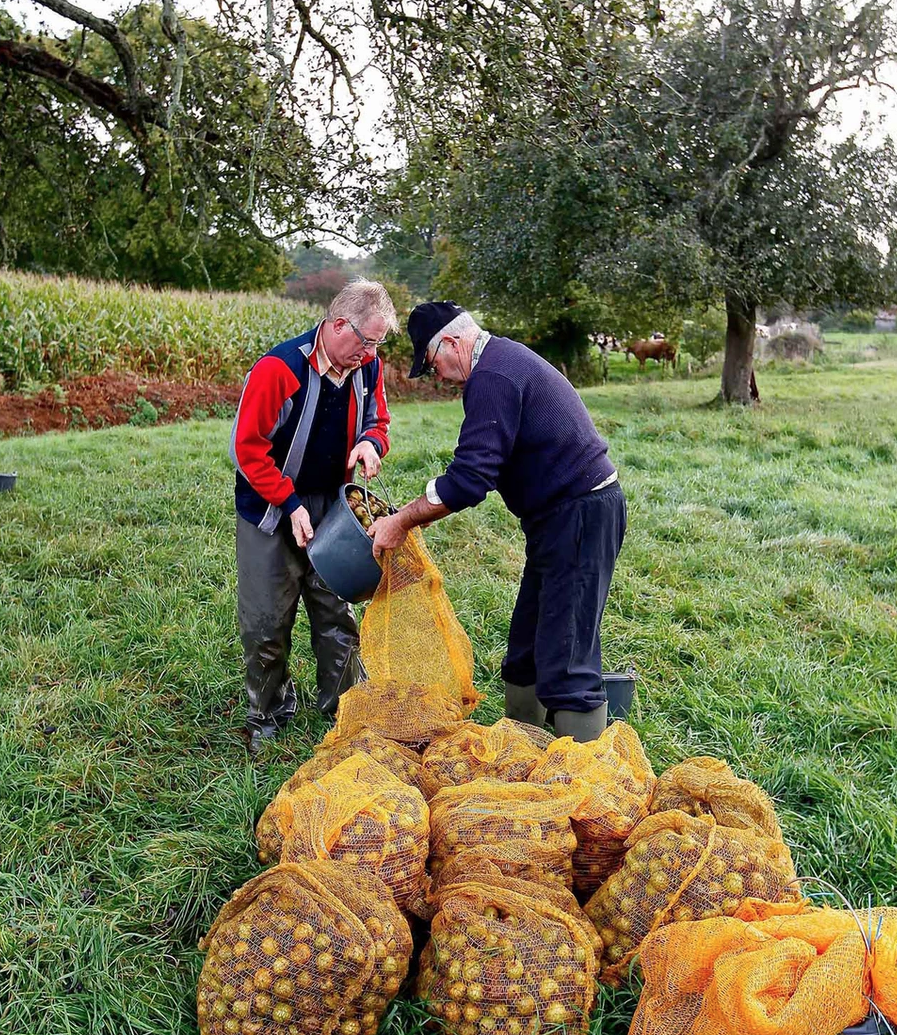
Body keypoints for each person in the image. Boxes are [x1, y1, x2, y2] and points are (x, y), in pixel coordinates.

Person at [368, 302, 626, 742]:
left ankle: (587, 782)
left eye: (434, 366)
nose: (441, 378)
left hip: (581, 513)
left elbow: (470, 479)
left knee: (567, 655)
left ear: (451, 342)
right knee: (526, 648)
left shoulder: (493, 376)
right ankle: (523, 748)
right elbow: (479, 467)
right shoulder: (498, 363)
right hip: (553, 519)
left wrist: (404, 520)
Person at [230, 278, 398, 752]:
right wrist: (289, 503)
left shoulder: (367, 368)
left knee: (335, 610)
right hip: (269, 507)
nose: (370, 353)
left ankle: (344, 710)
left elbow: (378, 421)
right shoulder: (278, 369)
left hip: (334, 507)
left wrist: (370, 442)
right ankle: (267, 711)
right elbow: (247, 450)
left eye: (378, 344)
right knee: (267, 619)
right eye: (367, 341)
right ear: (339, 325)